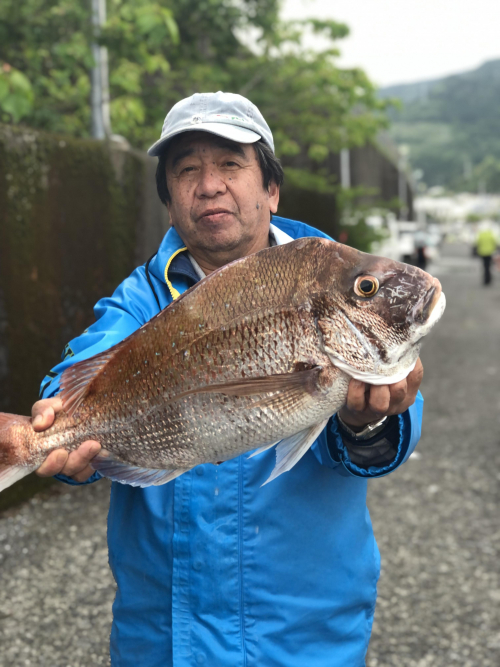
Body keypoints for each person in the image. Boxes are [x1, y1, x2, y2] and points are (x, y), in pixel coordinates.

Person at [32, 92, 424, 667]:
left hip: (305, 638)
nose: (209, 184)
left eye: (231, 164)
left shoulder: (333, 280)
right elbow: (76, 376)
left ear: (271, 188)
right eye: (186, 170)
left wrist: (367, 425)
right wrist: (53, 427)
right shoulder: (138, 302)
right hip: (164, 642)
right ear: (169, 202)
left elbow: (394, 426)